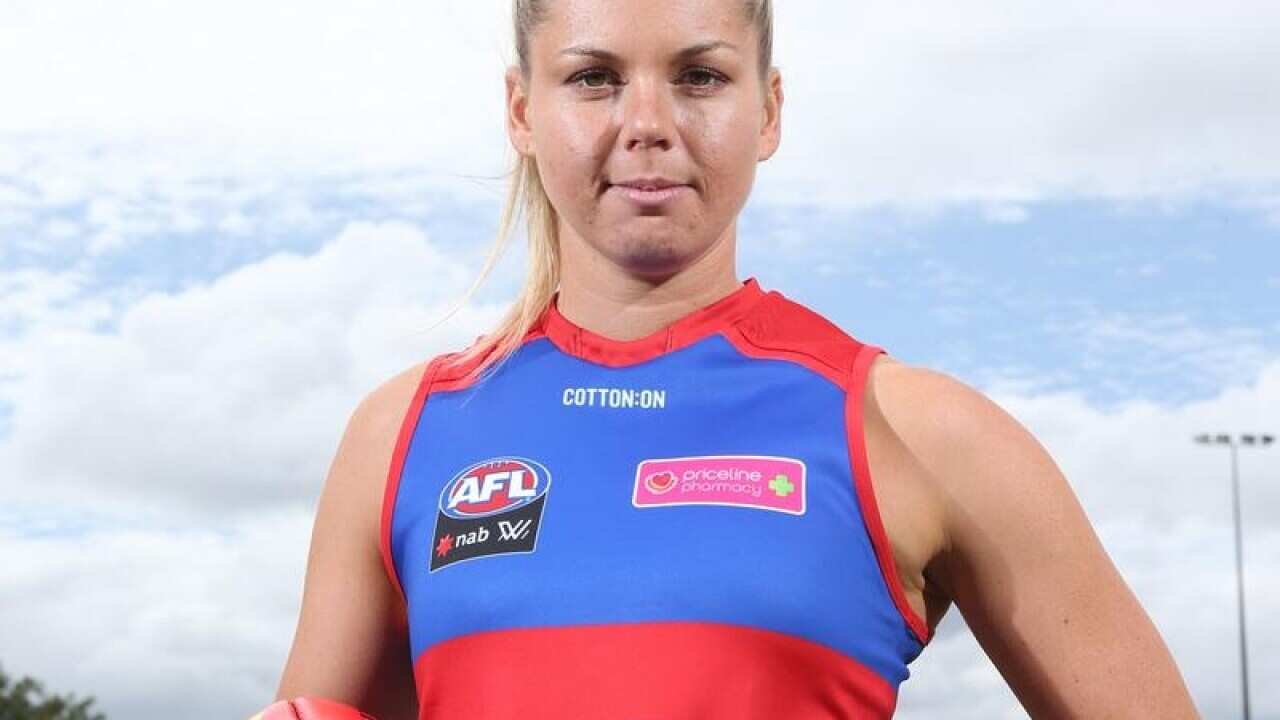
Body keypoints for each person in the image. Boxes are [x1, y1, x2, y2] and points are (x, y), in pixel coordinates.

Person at [265, 1, 1199, 718]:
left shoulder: (917, 433)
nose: (648, 123)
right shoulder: (405, 434)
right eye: (593, 77)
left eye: (700, 76)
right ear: (521, 108)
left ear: (769, 110)